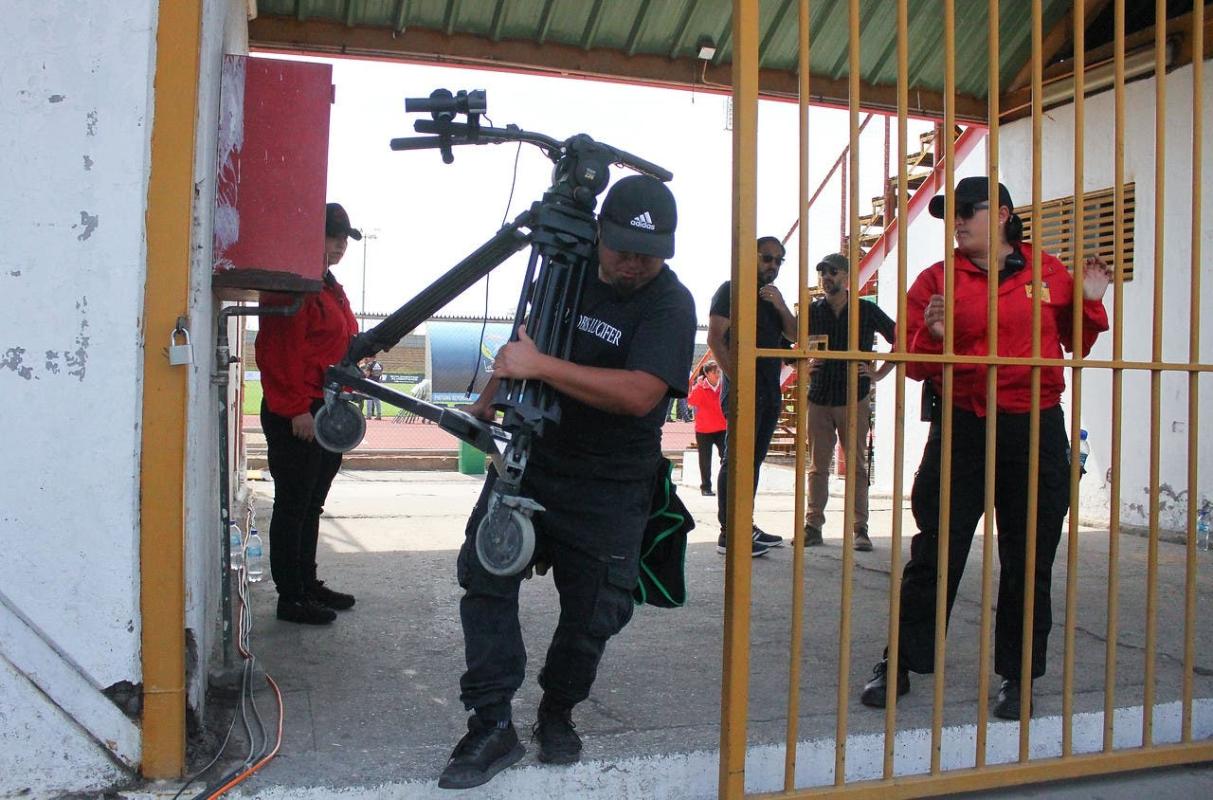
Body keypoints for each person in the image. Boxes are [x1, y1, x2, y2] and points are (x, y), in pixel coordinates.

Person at [438, 175, 696, 790]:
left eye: (648, 254)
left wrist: (542, 367)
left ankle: (558, 710)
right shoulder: (567, 273)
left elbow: (640, 394)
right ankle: (490, 722)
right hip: (534, 461)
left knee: (593, 613)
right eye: (623, 250)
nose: (634, 264)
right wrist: (488, 399)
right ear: (600, 233)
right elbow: (524, 343)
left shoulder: (670, 302)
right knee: (486, 579)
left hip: (611, 482)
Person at [858, 177, 1110, 720]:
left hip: (1034, 426)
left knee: (1028, 558)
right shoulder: (936, 279)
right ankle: (901, 661)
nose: (957, 223)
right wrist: (933, 337)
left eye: (966, 211)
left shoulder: (1048, 272)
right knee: (936, 551)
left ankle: (1018, 676)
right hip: (963, 426)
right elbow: (913, 364)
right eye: (951, 215)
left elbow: (1077, 343)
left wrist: (1090, 302)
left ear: (1001, 214)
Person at [256, 203, 363, 625]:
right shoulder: (293, 286)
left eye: (345, 238)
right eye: (333, 235)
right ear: (311, 235)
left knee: (311, 503)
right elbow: (279, 352)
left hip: (324, 406)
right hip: (299, 410)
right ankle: (291, 597)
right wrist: (295, 409)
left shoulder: (328, 287)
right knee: (293, 504)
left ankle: (307, 583)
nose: (341, 244)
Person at [707, 236, 798, 556]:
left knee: (753, 461)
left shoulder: (772, 298)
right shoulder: (731, 290)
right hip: (743, 389)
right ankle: (729, 532)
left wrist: (781, 305)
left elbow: (795, 335)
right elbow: (715, 339)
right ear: (751, 257)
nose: (773, 265)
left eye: (778, 260)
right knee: (736, 460)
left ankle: (745, 524)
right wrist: (738, 380)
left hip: (769, 391)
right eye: (767, 258)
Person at [802, 252, 896, 551]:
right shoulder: (813, 311)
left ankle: (859, 528)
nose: (826, 277)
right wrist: (802, 365)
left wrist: (878, 373)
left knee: (856, 466)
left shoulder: (865, 310)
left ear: (846, 276)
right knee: (817, 467)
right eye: (822, 272)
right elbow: (786, 343)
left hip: (854, 396)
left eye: (832, 272)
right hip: (819, 396)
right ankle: (812, 526)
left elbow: (901, 337)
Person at [687, 360, 727, 496]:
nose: (718, 374)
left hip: (722, 428)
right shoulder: (700, 387)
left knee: (726, 457)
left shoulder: (723, 386)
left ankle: (726, 485)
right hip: (704, 430)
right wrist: (698, 386)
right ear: (707, 373)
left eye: (719, 372)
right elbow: (691, 401)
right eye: (715, 372)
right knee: (705, 460)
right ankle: (705, 487)